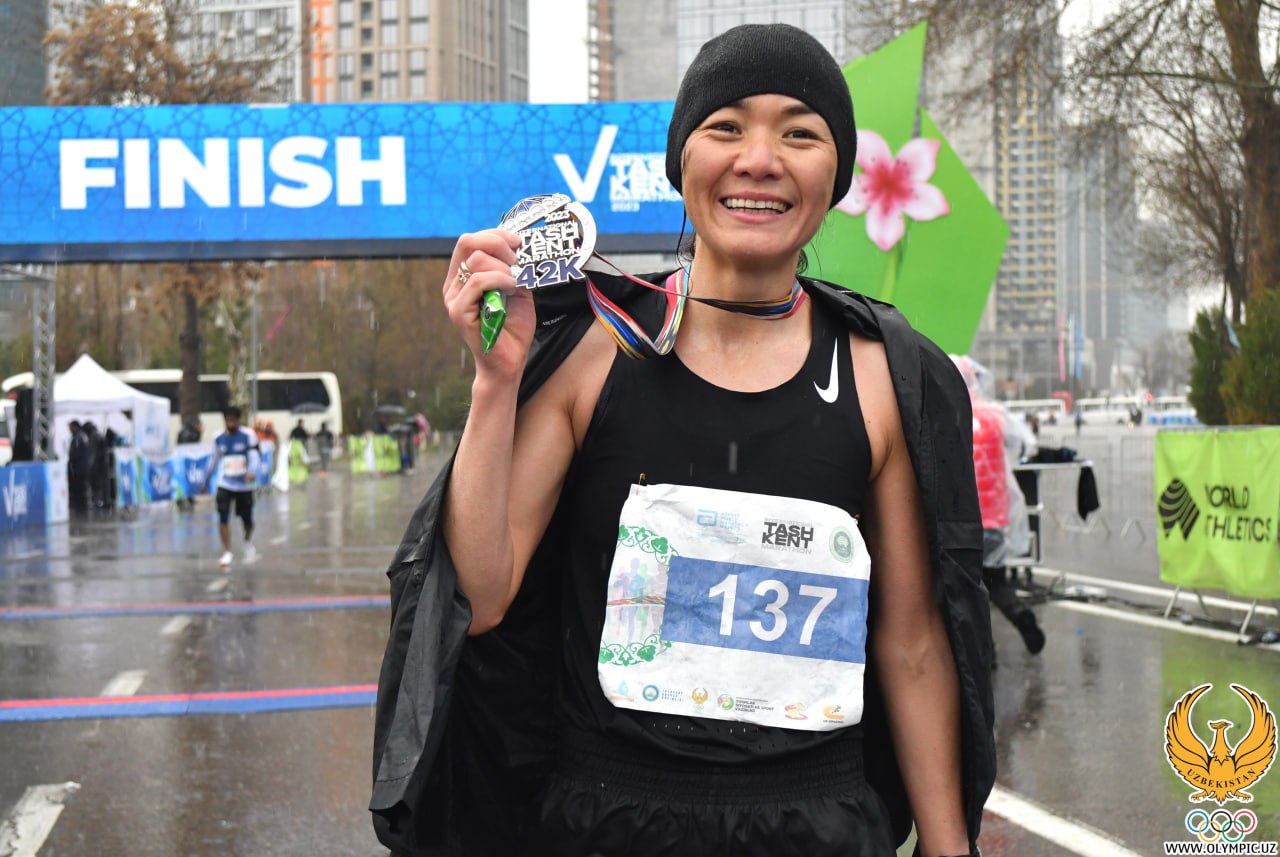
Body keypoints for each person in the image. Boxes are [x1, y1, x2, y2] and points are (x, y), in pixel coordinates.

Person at [373, 24, 993, 857]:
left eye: (799, 134)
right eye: (726, 126)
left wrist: (951, 848)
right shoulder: (596, 350)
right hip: (607, 822)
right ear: (680, 160)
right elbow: (479, 599)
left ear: (836, 175)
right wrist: (495, 383)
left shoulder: (882, 374)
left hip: (819, 824)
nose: (759, 159)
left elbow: (913, 645)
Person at [206, 406, 260, 569]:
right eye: (227, 420)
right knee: (223, 516)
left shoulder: (248, 435)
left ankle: (247, 540)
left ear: (238, 420)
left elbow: (255, 456)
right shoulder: (218, 437)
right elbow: (213, 459)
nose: (230, 423)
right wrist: (206, 480)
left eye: (233, 420)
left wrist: (252, 472)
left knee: (247, 519)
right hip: (225, 483)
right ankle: (227, 551)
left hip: (244, 485)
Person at [66, 420, 91, 514]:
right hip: (82, 467)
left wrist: (71, 461)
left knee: (80, 488)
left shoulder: (78, 437)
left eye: (71, 426)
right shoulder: (81, 436)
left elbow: (76, 453)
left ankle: (81, 508)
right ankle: (82, 507)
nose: (69, 429)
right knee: (81, 488)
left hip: (80, 468)